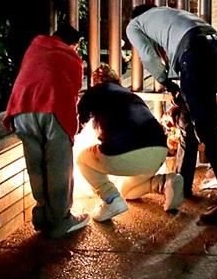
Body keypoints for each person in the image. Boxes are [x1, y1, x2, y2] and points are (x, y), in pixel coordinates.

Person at [126, 3, 217, 230]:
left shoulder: (135, 24)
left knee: (208, 131)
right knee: (189, 120)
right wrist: (180, 91)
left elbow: (149, 58)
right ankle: (182, 183)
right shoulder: (169, 14)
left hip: (196, 57)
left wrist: (166, 83)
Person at [3, 22, 88, 239]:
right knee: (58, 165)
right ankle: (61, 220)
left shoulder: (35, 47)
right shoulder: (70, 56)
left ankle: (41, 214)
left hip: (22, 109)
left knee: (35, 165)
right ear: (74, 44)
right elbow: (73, 89)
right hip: (53, 109)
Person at [76, 64, 184, 222]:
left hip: (126, 150)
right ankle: (165, 182)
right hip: (159, 151)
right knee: (127, 192)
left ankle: (110, 198)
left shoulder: (97, 91)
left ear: (95, 82)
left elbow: (78, 121)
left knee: (82, 160)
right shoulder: (131, 96)